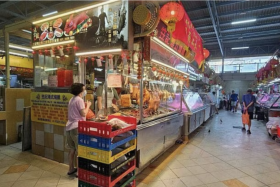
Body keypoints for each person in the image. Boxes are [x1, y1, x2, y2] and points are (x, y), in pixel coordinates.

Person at [66, 83, 91, 176]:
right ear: (80, 91)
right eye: (84, 89)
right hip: (77, 127)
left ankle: (70, 169)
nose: (85, 91)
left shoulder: (71, 99)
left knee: (72, 149)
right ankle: (79, 172)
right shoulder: (79, 100)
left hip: (69, 126)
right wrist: (88, 105)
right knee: (79, 150)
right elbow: (83, 114)